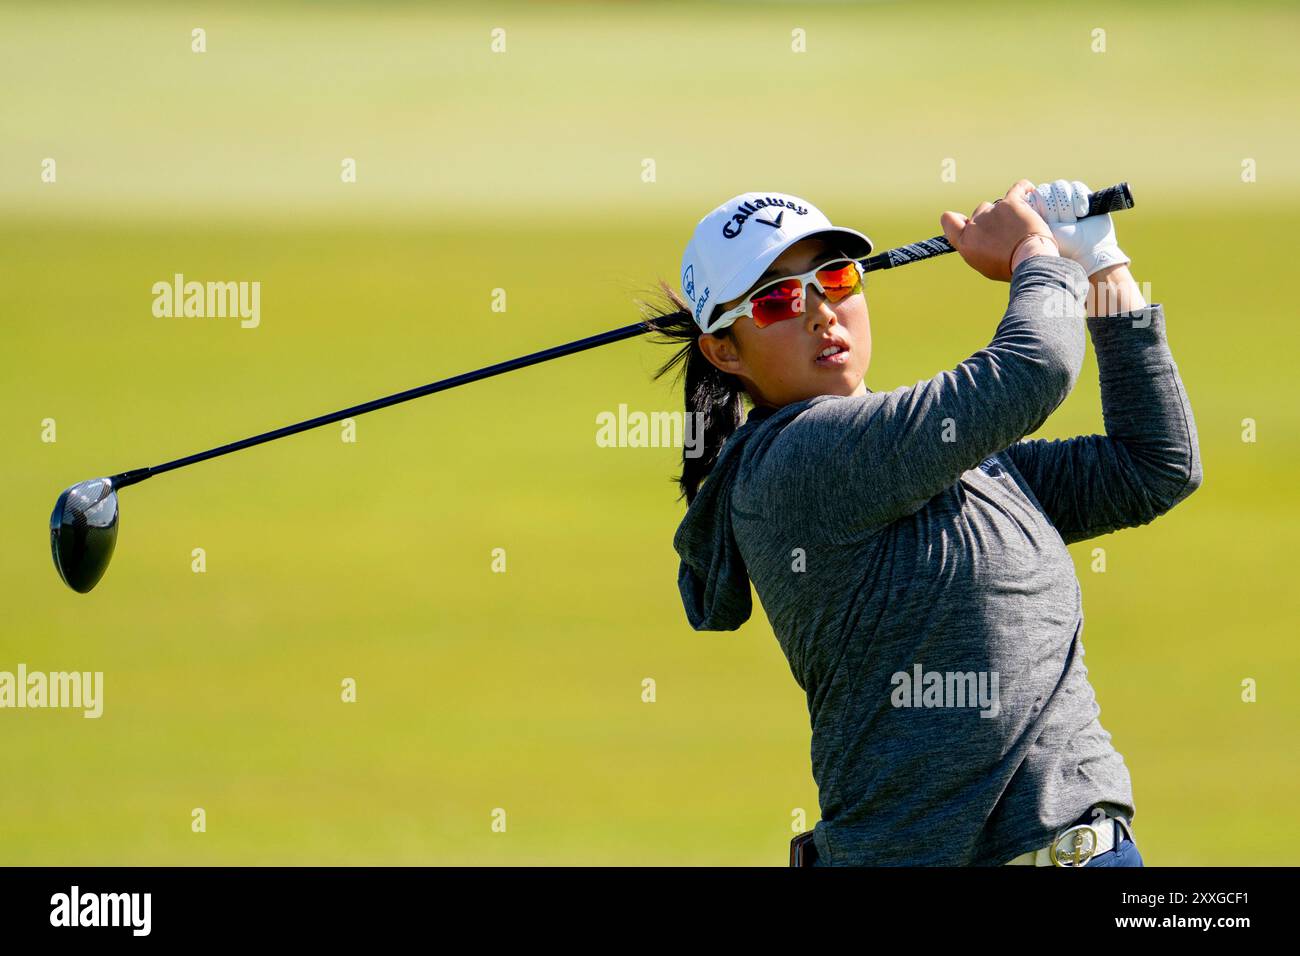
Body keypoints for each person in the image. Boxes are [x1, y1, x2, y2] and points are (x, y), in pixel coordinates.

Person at [641, 180, 1201, 866]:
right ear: (725, 352)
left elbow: (1153, 466)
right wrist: (1035, 254)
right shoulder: (799, 460)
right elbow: (1033, 370)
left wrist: (1102, 266)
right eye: (779, 299)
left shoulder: (938, 458)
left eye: (837, 278)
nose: (823, 313)